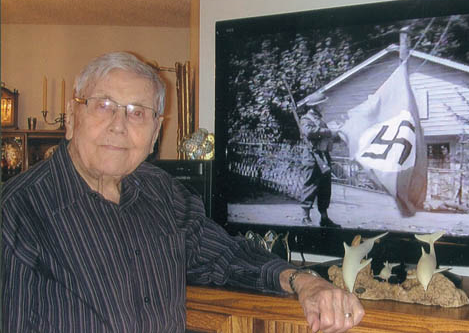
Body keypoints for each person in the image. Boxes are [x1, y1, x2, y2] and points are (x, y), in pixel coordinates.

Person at [2, 52, 364, 333]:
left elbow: (228, 256)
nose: (119, 126)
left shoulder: (162, 193)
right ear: (70, 117)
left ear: (156, 131)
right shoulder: (17, 213)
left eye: (137, 113)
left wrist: (304, 282)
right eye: (104, 106)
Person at [299, 91, 341, 228]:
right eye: (322, 104)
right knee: (310, 186)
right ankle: (305, 217)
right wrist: (329, 132)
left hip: (323, 157)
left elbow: (326, 136)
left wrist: (339, 135)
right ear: (315, 106)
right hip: (312, 157)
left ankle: (324, 218)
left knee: (325, 188)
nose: (324, 106)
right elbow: (309, 132)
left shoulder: (320, 120)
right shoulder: (306, 119)